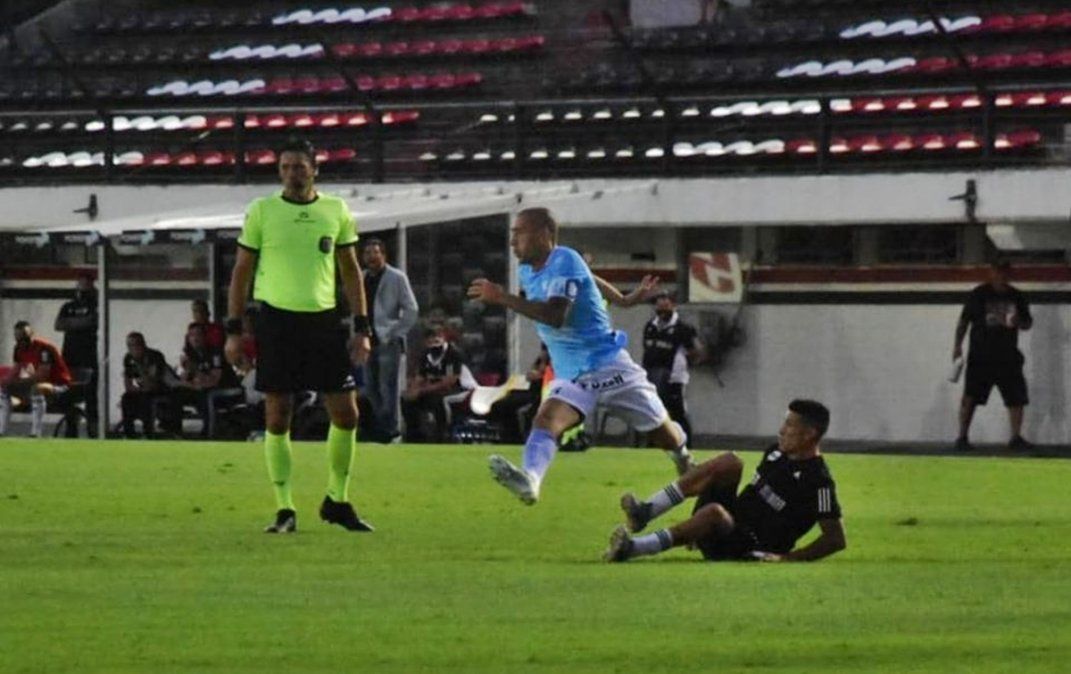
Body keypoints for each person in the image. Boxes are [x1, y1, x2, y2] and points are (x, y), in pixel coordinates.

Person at [467, 207, 694, 505]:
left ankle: (684, 460)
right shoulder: (528, 270)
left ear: (544, 234)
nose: (512, 243)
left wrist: (503, 298)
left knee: (666, 436)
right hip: (573, 375)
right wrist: (623, 300)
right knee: (546, 419)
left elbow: (555, 315)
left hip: (610, 367)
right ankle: (530, 480)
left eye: (518, 233)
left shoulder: (565, 259)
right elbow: (590, 278)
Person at [225, 137, 374, 534]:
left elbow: (350, 270)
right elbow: (241, 271)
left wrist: (362, 327)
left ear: (315, 169)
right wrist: (234, 331)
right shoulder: (262, 211)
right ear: (279, 172)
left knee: (346, 413)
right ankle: (284, 508)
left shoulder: (335, 210)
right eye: (286, 167)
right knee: (277, 416)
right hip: (276, 321)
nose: (293, 173)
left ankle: (337, 499)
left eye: (300, 166)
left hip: (323, 321)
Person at [604, 399, 847, 563]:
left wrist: (786, 559)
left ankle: (632, 548)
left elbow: (835, 540)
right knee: (730, 462)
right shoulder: (776, 452)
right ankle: (646, 511)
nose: (781, 430)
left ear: (810, 434)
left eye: (789, 425)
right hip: (729, 526)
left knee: (714, 513)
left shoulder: (819, 482)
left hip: (748, 547)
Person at [953, 260, 1034, 451]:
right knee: (971, 396)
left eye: (1005, 272)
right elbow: (964, 321)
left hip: (1007, 355)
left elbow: (1028, 324)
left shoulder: (1017, 296)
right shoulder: (979, 294)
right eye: (998, 272)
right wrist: (957, 346)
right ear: (992, 273)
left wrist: (1018, 321)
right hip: (981, 355)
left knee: (1016, 397)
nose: (1001, 276)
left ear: (1009, 273)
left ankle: (1015, 437)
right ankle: (962, 436)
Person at [361, 237, 419, 442]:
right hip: (367, 342)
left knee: (388, 387)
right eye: (368, 253)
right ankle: (381, 426)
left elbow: (411, 309)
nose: (372, 257)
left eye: (375, 253)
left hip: (387, 341)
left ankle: (392, 430)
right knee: (369, 387)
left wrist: (395, 331)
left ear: (383, 255)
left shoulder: (396, 277)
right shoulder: (362, 277)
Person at [642, 293, 704, 442]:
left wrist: (687, 365)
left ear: (673, 306)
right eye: (659, 306)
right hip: (651, 376)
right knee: (654, 412)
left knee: (677, 412)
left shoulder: (683, 329)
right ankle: (654, 444)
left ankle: (686, 444)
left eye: (666, 305)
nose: (662, 310)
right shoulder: (650, 326)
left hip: (674, 379)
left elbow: (697, 351)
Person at [0, 321, 73, 438]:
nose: (22, 342)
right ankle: (2, 431)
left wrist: (19, 383)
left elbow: (42, 375)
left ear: (32, 334)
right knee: (4, 388)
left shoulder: (44, 349)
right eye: (19, 339)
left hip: (59, 385)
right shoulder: (18, 349)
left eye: (25, 338)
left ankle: (35, 433)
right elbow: (16, 369)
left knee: (36, 388)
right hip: (39, 385)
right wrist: (7, 382)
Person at [402, 327, 471, 442]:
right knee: (408, 401)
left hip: (460, 389)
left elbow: (450, 381)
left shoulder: (453, 353)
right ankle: (414, 435)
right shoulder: (426, 355)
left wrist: (423, 390)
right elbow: (420, 376)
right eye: (430, 341)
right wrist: (413, 390)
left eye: (436, 340)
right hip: (435, 389)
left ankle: (443, 435)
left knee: (440, 400)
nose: (434, 344)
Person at [174, 323, 242, 438]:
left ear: (205, 337)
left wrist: (195, 371)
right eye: (191, 335)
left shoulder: (215, 353)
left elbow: (214, 380)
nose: (195, 338)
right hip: (203, 387)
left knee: (208, 395)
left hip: (227, 388)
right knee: (177, 393)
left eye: (198, 335)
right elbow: (185, 379)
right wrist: (185, 370)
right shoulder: (189, 354)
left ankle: (209, 433)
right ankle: (175, 431)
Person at [54, 273, 99, 436]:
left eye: (86, 284)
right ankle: (71, 427)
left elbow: (92, 320)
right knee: (68, 393)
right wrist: (79, 322)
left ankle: (93, 430)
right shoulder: (68, 306)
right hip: (69, 357)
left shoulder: (96, 303)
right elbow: (58, 324)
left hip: (88, 356)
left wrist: (71, 323)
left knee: (91, 395)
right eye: (80, 284)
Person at [120, 332, 177, 438]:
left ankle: (148, 433)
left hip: (160, 388)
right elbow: (128, 383)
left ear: (143, 344)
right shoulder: (128, 358)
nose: (134, 348)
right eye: (130, 346)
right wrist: (134, 388)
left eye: (137, 344)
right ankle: (129, 434)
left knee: (146, 399)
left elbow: (153, 382)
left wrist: (141, 369)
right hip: (142, 390)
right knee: (126, 398)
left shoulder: (155, 356)